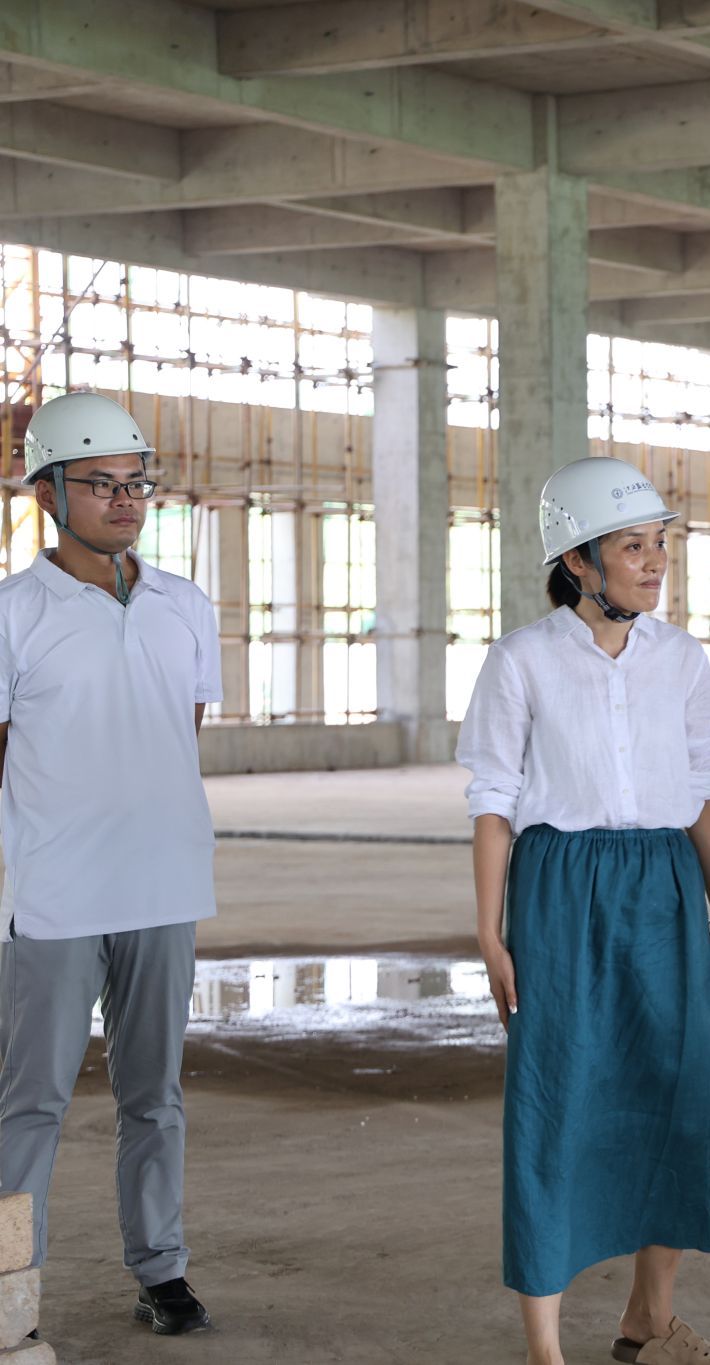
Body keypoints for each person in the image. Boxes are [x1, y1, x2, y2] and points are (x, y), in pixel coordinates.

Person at [459, 456, 710, 1365]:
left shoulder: (681, 659)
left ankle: (648, 1318)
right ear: (578, 561)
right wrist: (490, 932)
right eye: (632, 546)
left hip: (665, 886)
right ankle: (545, 1350)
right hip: (562, 888)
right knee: (557, 1101)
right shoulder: (522, 660)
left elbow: (702, 791)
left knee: (678, 1096)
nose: (654, 560)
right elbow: (493, 801)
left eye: (659, 542)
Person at [0, 392, 222, 1340]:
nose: (126, 499)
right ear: (49, 495)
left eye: (137, 482)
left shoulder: (185, 606)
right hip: (54, 897)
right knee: (30, 1101)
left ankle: (161, 1268)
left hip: (164, 888)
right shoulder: (13, 614)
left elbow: (180, 734)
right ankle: (9, 1283)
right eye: (101, 483)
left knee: (154, 1097)